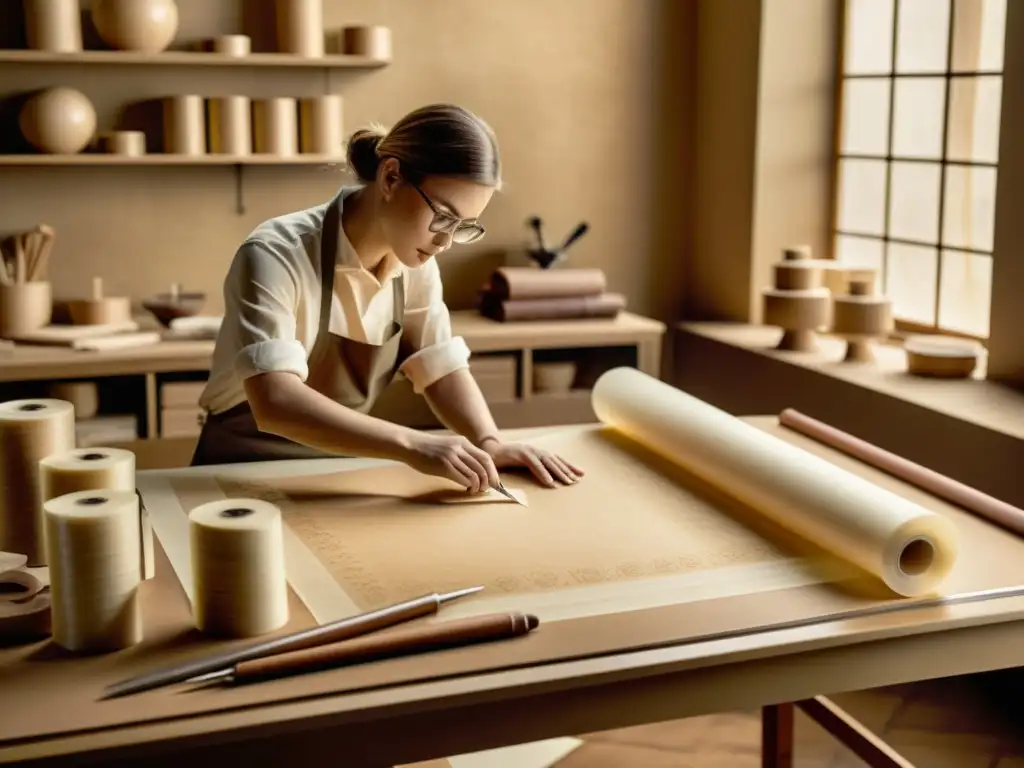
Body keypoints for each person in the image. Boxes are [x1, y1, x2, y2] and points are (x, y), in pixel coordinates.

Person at [191, 103, 583, 494]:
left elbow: (440, 364)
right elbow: (275, 400)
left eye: (463, 227)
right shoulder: (277, 253)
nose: (446, 242)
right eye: (443, 217)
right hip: (236, 472)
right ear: (391, 177)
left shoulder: (415, 263)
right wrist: (414, 443)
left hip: (332, 477)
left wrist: (490, 442)